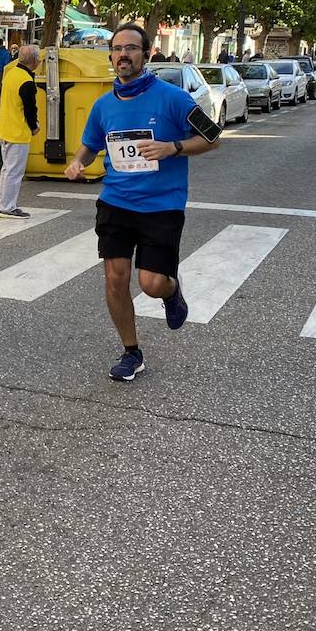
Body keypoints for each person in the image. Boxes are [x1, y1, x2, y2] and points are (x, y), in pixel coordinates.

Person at [63, 23, 220, 383]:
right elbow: (91, 143)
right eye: (117, 49)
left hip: (162, 206)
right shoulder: (103, 105)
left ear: (146, 54)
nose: (123, 55)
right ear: (111, 56)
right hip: (116, 201)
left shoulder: (172, 98)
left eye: (131, 48)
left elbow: (212, 137)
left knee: (151, 283)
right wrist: (78, 161)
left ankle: (172, 290)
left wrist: (172, 147)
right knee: (115, 280)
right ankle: (131, 352)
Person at [0, 45, 40, 218]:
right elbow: (30, 109)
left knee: (7, 170)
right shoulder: (26, 81)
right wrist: (34, 127)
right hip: (18, 131)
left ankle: (2, 204)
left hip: (6, 128)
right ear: (34, 61)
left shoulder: (11, 74)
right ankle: (8, 207)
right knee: (14, 172)